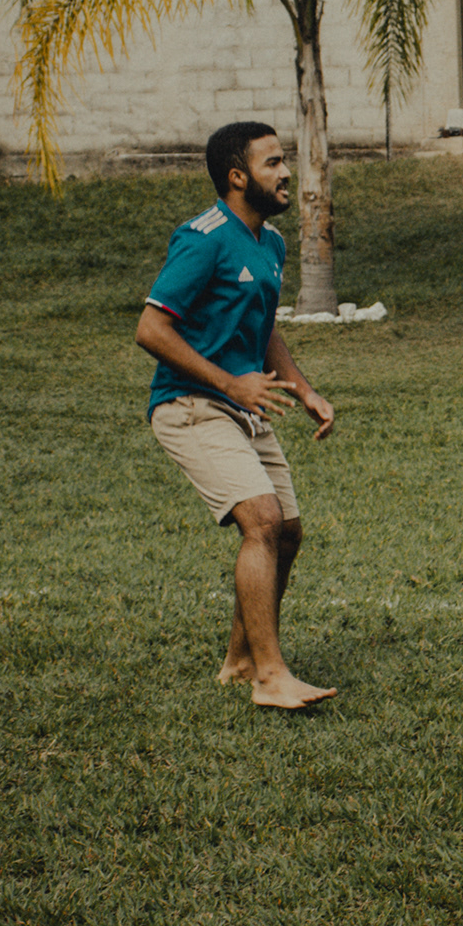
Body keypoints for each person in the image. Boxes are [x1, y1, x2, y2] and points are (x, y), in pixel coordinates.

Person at [136, 121, 337, 711]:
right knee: (262, 520)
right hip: (190, 405)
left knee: (287, 532)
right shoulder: (203, 239)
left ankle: (242, 659)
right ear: (237, 176)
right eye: (272, 163)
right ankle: (270, 678)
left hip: (243, 406)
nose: (286, 172)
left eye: (284, 160)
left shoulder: (270, 244)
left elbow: (263, 325)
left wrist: (304, 389)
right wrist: (230, 383)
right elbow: (151, 329)